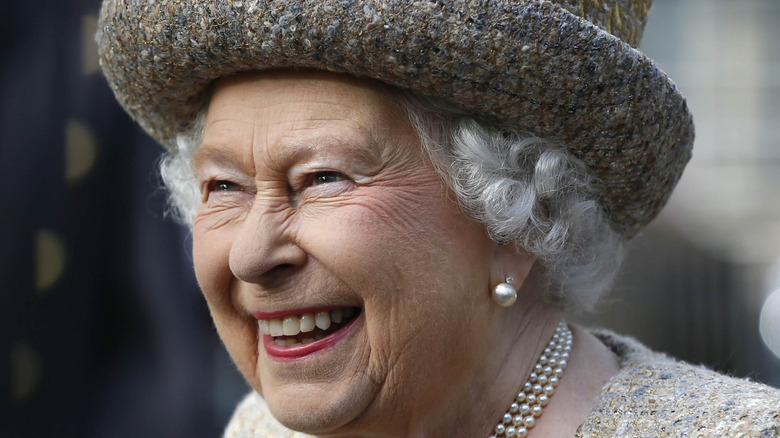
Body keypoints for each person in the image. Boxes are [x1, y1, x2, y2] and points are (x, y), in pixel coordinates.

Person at [96, 0, 780, 436]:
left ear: (521, 218)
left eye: (323, 178)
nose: (250, 255)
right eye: (224, 186)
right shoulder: (259, 431)